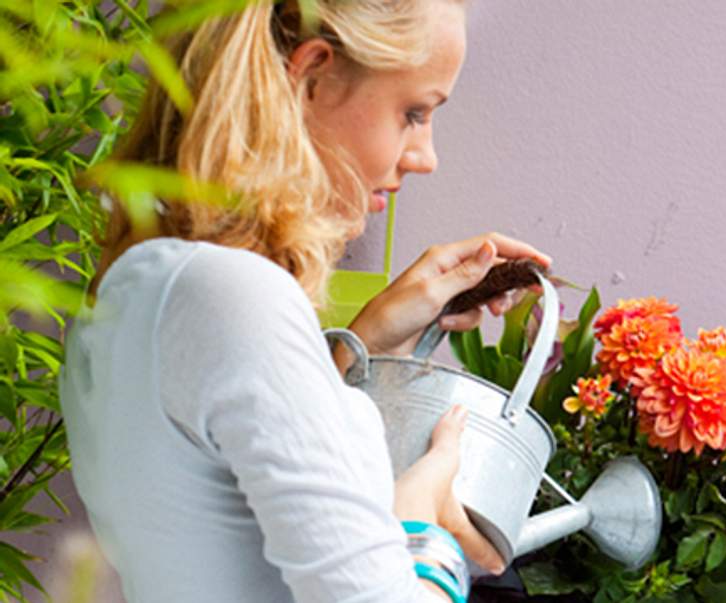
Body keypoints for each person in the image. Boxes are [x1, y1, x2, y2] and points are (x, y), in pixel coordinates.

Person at [59, 1, 551, 601]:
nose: (425, 155)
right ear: (312, 74)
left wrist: (360, 346)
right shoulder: (236, 297)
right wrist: (423, 520)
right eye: (414, 112)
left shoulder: (133, 284)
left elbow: (222, 495)